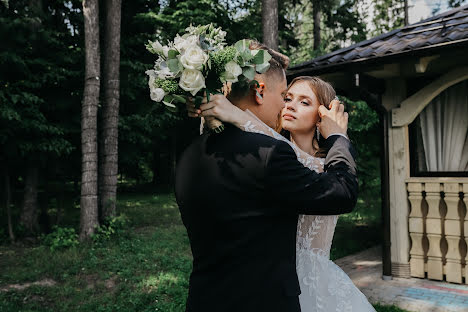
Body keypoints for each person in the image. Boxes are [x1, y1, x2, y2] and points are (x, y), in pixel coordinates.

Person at [175, 41, 358, 312]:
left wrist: (229, 111)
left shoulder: (188, 155)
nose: (287, 106)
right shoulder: (272, 155)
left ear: (321, 115)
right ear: (259, 91)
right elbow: (341, 190)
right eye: (285, 96)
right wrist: (339, 138)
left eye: (303, 101)